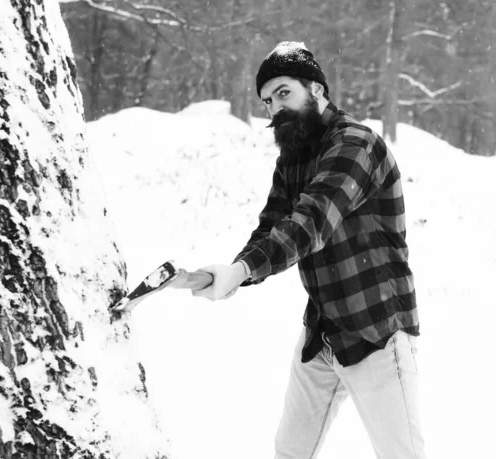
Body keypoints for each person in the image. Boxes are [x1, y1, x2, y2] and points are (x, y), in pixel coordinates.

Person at [192, 41, 426, 459]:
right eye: (267, 101)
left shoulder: (357, 144)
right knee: (290, 451)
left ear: (316, 89)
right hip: (323, 330)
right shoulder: (292, 160)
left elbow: (311, 221)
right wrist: (234, 272)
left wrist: (244, 270)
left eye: (284, 93)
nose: (275, 108)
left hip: (377, 330)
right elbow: (273, 227)